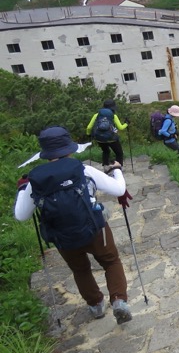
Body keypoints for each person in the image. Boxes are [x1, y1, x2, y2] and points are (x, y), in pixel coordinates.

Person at [15, 126, 133, 324]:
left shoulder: (35, 178)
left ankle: (96, 306)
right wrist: (117, 170)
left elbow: (21, 215)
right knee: (111, 261)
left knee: (80, 270)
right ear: (70, 149)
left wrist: (22, 189)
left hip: (62, 236)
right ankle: (119, 301)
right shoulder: (83, 169)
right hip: (95, 229)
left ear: (44, 153)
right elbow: (119, 189)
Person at [85, 99, 128, 168]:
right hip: (111, 139)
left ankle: (106, 167)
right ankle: (118, 169)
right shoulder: (113, 115)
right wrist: (126, 123)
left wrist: (88, 134)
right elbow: (121, 128)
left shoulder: (97, 115)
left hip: (100, 138)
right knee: (119, 153)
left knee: (106, 151)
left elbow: (89, 127)